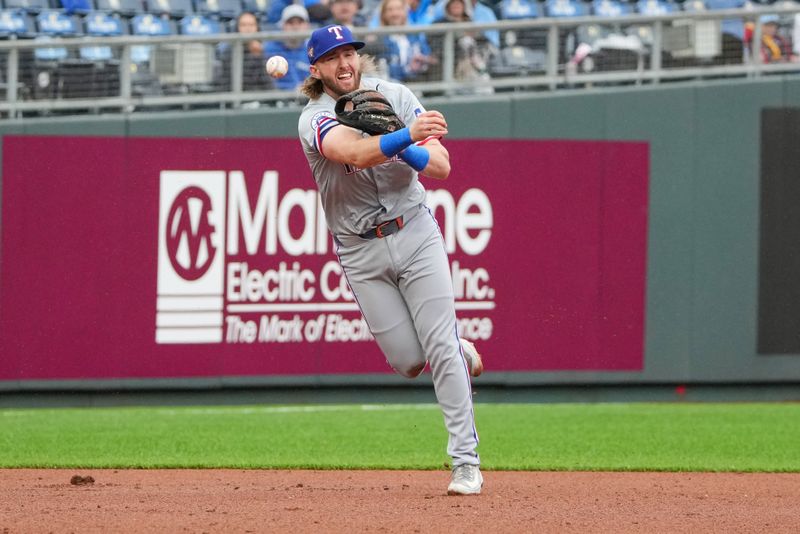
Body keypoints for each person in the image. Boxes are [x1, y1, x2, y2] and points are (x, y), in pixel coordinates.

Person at [297, 24, 484, 495]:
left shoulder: (394, 94)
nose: (344, 63)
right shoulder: (314, 117)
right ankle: (455, 349)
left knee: (438, 346)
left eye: (350, 53)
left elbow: (441, 167)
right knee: (408, 361)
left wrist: (412, 142)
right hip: (360, 249)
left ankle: (465, 463)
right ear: (315, 68)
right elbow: (354, 154)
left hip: (415, 230)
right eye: (332, 56)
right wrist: (404, 136)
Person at [378, 0, 437, 82]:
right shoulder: (379, 40)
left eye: (398, 9)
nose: (395, 13)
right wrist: (408, 68)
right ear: (383, 14)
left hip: (420, 83)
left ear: (405, 12)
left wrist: (423, 60)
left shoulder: (415, 35)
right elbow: (384, 70)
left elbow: (428, 55)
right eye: (390, 10)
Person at [216, 12, 274, 92]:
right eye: (243, 25)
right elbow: (231, 83)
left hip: (261, 99)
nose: (248, 29)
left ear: (257, 28)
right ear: (237, 28)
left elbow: (268, 85)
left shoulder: (263, 51)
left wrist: (259, 57)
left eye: (251, 25)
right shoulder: (229, 52)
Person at [264, 5, 312, 91]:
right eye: (290, 22)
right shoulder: (270, 49)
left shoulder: (313, 51)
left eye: (300, 22)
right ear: (282, 26)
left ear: (307, 25)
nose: (295, 27)